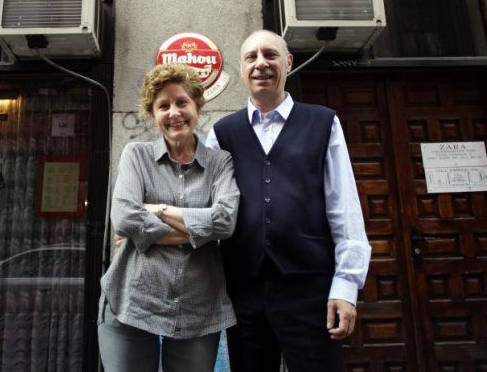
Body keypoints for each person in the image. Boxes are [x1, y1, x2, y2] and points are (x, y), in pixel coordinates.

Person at [205, 29, 371, 372]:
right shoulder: (222, 133)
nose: (261, 64)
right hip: (244, 292)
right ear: (241, 68)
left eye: (271, 55)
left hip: (310, 289)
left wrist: (346, 286)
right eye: (251, 57)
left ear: (289, 62)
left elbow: (344, 207)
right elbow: (206, 207)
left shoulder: (323, 122)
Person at [98, 63, 240, 372]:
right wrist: (199, 231)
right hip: (131, 301)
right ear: (152, 113)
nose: (174, 112)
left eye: (181, 102)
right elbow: (124, 217)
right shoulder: (136, 155)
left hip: (198, 307)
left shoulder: (220, 162)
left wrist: (155, 210)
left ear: (197, 105)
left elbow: (225, 222)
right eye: (163, 106)